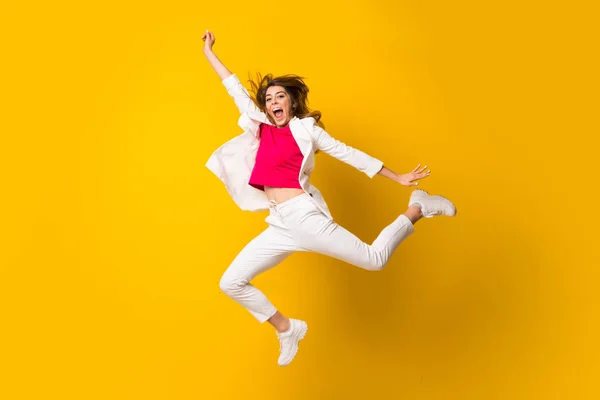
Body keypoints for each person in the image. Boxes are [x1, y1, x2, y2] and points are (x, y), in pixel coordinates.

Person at [201, 30, 457, 367]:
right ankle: (286, 328)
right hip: (279, 223)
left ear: (291, 101)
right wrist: (208, 52)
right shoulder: (260, 127)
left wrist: (397, 177)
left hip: (303, 217)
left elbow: (347, 153)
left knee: (374, 259)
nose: (274, 103)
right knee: (230, 282)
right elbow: (234, 88)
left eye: (280, 97)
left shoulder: (307, 131)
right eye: (269, 99)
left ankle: (418, 206)